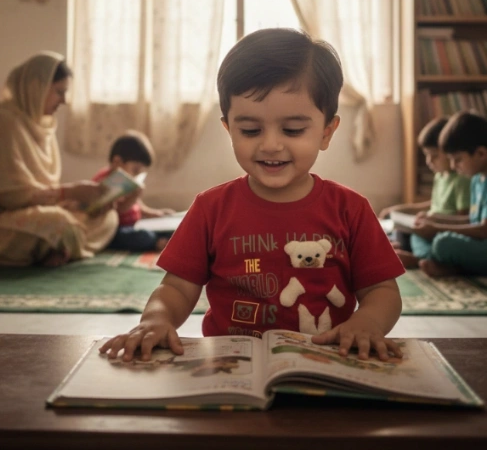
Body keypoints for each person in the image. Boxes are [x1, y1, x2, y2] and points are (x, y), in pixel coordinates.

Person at [100, 28, 404, 364]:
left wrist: (367, 323)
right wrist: (156, 319)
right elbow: (176, 288)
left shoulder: (351, 209)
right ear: (229, 128)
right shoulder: (210, 209)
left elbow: (382, 291)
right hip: (231, 368)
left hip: (327, 363)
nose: (270, 144)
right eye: (250, 130)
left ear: (326, 132)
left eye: (292, 130)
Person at [0, 52, 118, 267]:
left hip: (32, 213)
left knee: (109, 218)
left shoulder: (42, 125)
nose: (64, 101)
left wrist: (76, 201)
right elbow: (10, 198)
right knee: (60, 225)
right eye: (59, 92)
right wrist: (69, 191)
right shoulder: (2, 121)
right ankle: (59, 246)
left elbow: (45, 190)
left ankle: (57, 249)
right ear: (38, 87)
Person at [378, 116, 471, 268]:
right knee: (400, 229)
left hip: (443, 229)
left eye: (434, 156)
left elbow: (463, 217)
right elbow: (433, 204)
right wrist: (400, 209)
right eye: (426, 155)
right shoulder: (441, 176)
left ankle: (417, 259)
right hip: (430, 226)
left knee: (426, 239)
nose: (429, 161)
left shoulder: (461, 180)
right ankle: (406, 251)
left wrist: (434, 221)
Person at [412, 111, 487, 277]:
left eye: (458, 159)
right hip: (478, 241)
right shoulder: (476, 180)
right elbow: (471, 219)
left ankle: (445, 265)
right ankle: (441, 263)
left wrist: (438, 228)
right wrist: (435, 219)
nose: (453, 166)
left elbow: (483, 230)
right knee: (418, 231)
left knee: (444, 242)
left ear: (481, 153)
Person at [93, 131, 175, 252]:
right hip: (115, 230)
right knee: (143, 237)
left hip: (134, 225)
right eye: (135, 170)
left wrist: (154, 213)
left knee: (170, 228)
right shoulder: (107, 182)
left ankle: (162, 239)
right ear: (117, 162)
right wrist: (133, 196)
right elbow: (119, 210)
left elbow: (137, 205)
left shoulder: (126, 181)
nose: (137, 174)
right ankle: (157, 241)